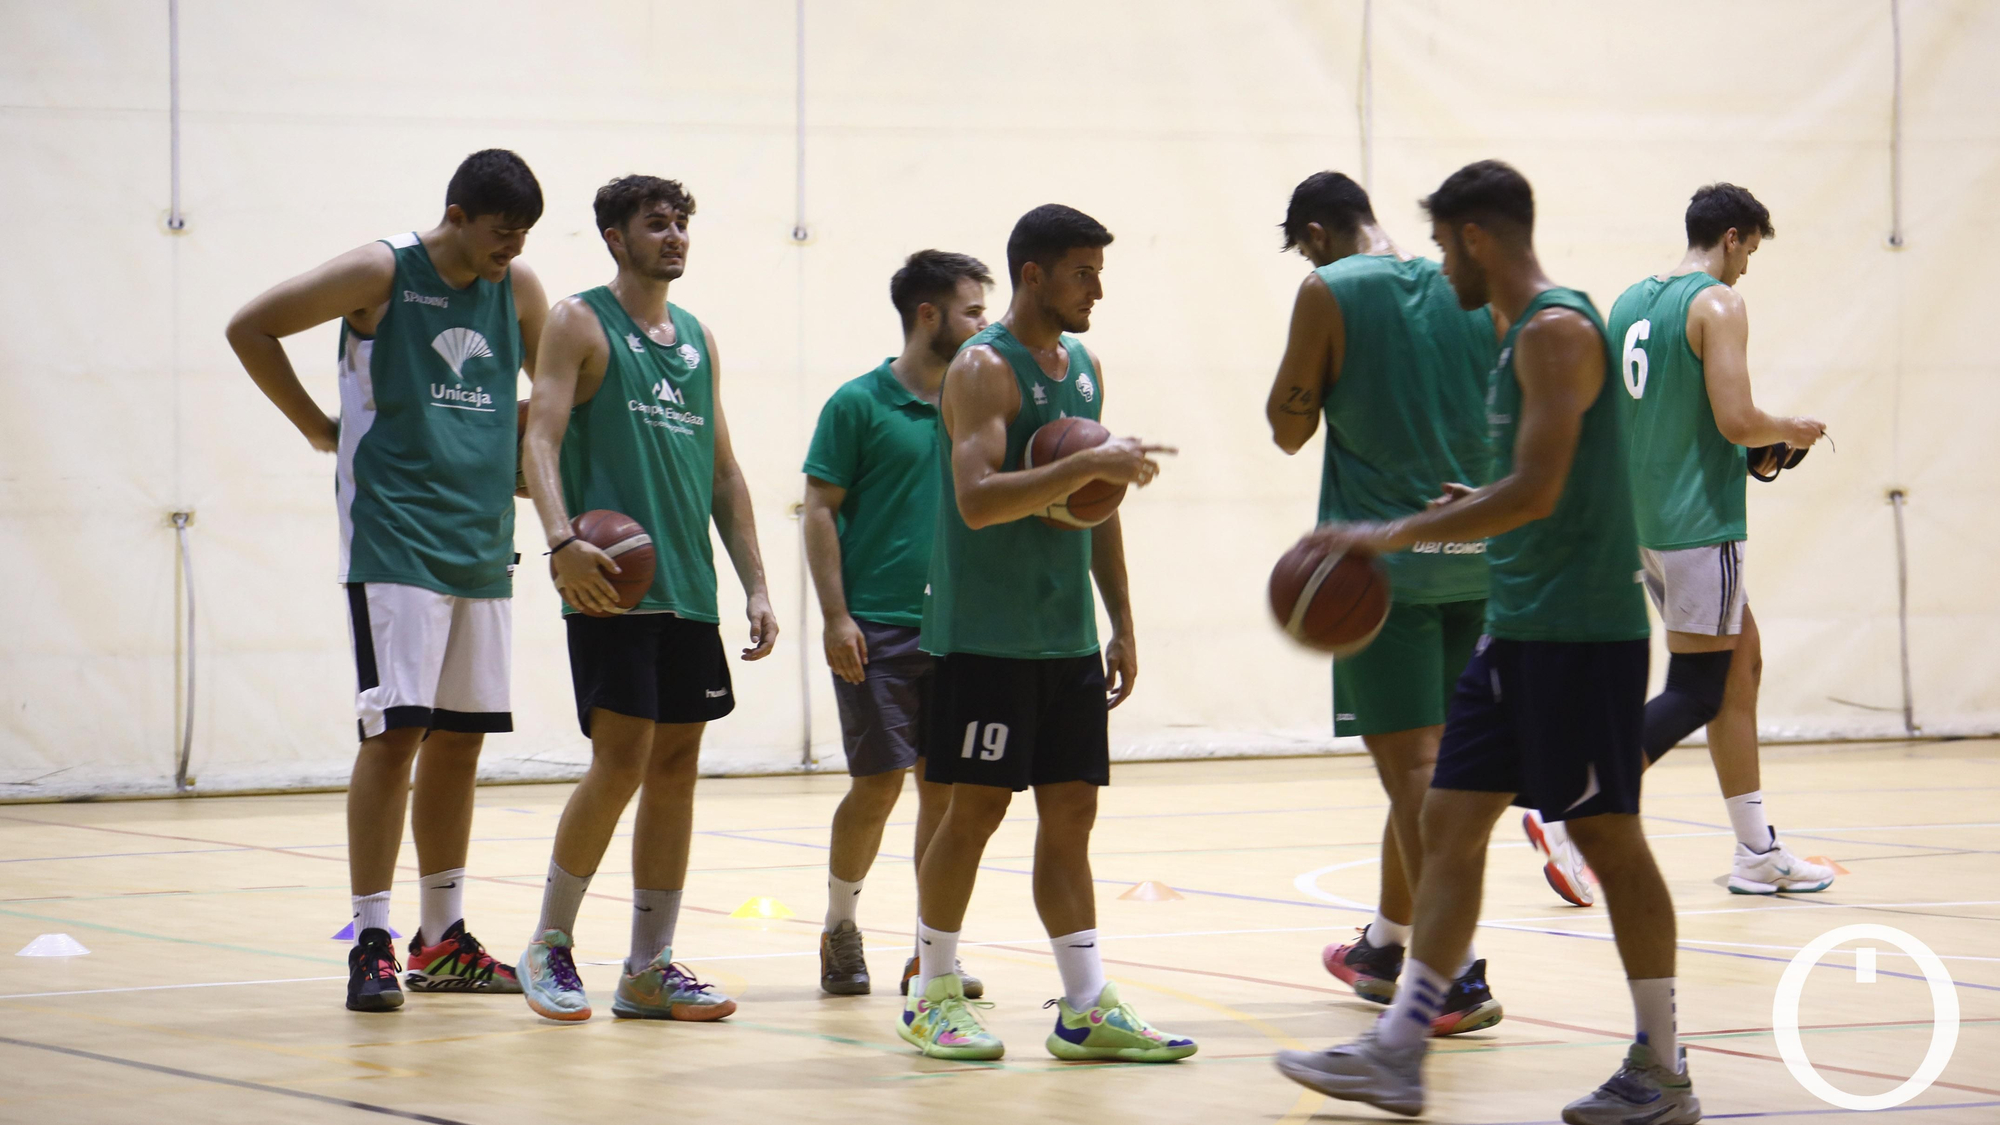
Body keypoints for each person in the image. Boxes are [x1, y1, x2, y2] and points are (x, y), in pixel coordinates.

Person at [1275, 162, 1700, 1125]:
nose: (1434, 266)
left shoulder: (1554, 330)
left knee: (1611, 840)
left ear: (1473, 235)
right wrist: (1470, 507)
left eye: (1439, 244)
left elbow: (1540, 493)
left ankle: (1665, 1067)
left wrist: (1386, 533)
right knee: (1450, 824)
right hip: (1515, 625)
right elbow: (1528, 486)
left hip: (1579, 633)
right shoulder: (1517, 339)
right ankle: (1398, 1051)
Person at [226, 149, 548, 1013]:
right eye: (498, 234)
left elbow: (556, 402)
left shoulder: (518, 290)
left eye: (521, 237)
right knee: (395, 734)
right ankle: (370, 936)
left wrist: (537, 474)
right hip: (394, 535)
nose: (509, 252)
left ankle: (441, 937)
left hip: (481, 539)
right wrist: (317, 428)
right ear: (456, 212)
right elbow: (249, 325)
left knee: (461, 739)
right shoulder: (382, 269)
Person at [898, 204, 1194, 1063]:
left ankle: (1086, 1003)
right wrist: (1086, 464)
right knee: (974, 810)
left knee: (1072, 811)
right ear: (1033, 275)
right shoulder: (983, 369)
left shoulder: (1087, 368)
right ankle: (934, 991)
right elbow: (979, 500)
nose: (1096, 288)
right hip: (983, 636)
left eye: (1099, 272)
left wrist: (1122, 621)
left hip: (1062, 635)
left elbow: (1097, 508)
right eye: (1082, 273)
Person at [513, 174, 778, 1023]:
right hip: (609, 585)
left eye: (681, 224)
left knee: (675, 770)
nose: (673, 237)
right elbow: (540, 438)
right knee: (620, 762)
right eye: (655, 224)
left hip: (688, 592)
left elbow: (725, 474)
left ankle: (647, 965)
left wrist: (758, 584)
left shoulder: (697, 336)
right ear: (613, 237)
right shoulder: (578, 321)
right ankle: (550, 942)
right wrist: (561, 543)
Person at [1534, 184, 1829, 899]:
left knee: (1741, 662)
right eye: (1750, 251)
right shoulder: (1718, 303)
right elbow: (1735, 420)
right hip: (1700, 524)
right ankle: (1572, 802)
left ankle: (1756, 849)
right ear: (1731, 236)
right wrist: (1787, 431)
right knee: (1697, 690)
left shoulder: (1633, 300)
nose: (1747, 270)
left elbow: (1653, 415)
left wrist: (1748, 449)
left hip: (1644, 521)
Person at [1264, 170, 1505, 1032]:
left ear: (1318, 233)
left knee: (1415, 774)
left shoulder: (1328, 289)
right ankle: (1386, 942)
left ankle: (1457, 971)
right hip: (1479, 555)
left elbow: (1288, 428)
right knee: (1443, 774)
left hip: (1380, 571)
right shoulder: (1470, 286)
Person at [803, 250, 994, 996]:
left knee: (942, 793)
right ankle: (841, 926)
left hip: (960, 627)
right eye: (973, 310)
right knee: (878, 784)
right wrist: (835, 615)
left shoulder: (978, 404)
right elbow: (820, 509)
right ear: (928, 314)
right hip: (875, 627)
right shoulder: (858, 403)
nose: (985, 323)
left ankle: (931, 952)